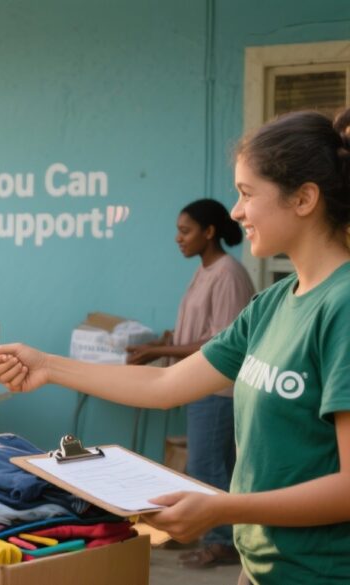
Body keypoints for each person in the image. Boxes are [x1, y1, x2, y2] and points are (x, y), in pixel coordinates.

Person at [0, 109, 350, 585]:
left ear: (303, 198)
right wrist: (49, 366)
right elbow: (165, 382)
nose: (236, 212)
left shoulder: (341, 306)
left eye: (246, 194)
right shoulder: (273, 304)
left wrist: (222, 508)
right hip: (261, 569)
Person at [126, 198, 255, 568]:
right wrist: (158, 343)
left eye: (186, 231)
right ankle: (223, 537)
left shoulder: (228, 272)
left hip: (217, 389)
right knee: (217, 467)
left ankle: (221, 543)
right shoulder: (206, 269)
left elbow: (222, 342)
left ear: (209, 232)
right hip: (198, 386)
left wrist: (160, 351)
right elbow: (197, 329)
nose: (178, 239)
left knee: (207, 468)